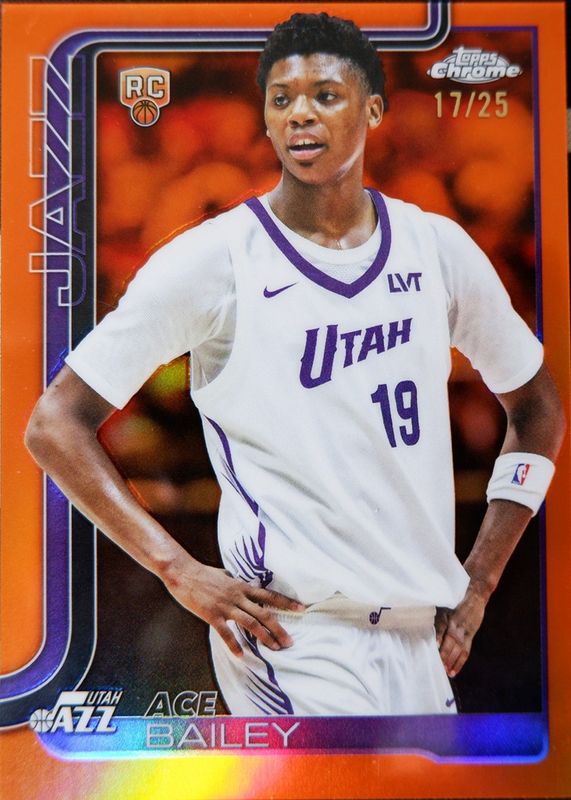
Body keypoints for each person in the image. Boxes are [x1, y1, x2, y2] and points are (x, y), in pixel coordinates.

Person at [26, 12, 564, 716]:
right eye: (282, 99)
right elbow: (55, 423)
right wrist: (176, 569)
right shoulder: (213, 259)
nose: (300, 114)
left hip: (418, 635)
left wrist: (482, 580)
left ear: (374, 110)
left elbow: (538, 408)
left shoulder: (436, 247)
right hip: (293, 634)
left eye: (325, 95)